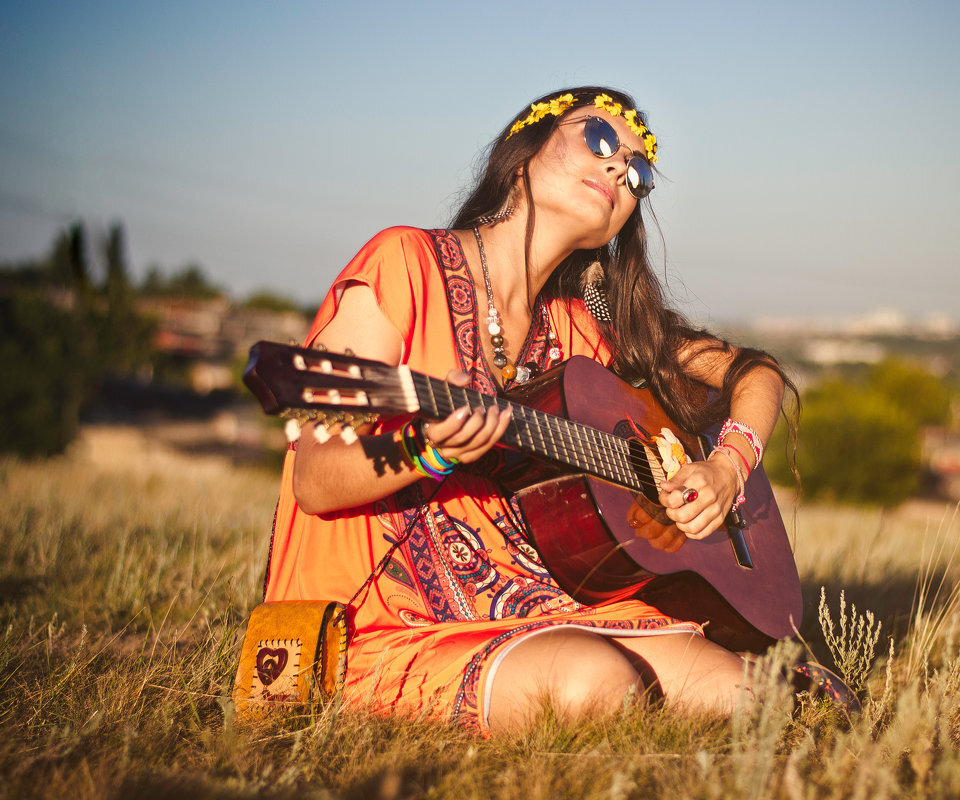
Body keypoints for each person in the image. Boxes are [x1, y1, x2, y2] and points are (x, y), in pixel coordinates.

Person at [263, 86, 795, 735]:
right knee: (595, 685)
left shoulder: (585, 326)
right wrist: (426, 450)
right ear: (523, 150)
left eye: (639, 170)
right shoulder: (404, 263)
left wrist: (727, 468)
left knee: (752, 697)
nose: (618, 169)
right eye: (600, 139)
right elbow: (316, 480)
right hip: (387, 618)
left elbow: (754, 373)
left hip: (548, 598)